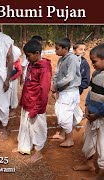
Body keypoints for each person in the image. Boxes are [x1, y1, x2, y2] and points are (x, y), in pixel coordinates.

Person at [16, 39, 52, 163]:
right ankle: (25, 146)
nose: (27, 59)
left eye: (28, 56)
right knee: (25, 125)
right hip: (27, 101)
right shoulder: (32, 64)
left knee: (38, 128)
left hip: (36, 106)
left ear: (37, 53)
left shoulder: (44, 69)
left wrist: (37, 109)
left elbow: (44, 91)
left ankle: (38, 152)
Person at [72, 44, 104, 180]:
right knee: (88, 141)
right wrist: (86, 106)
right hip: (92, 115)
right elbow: (91, 91)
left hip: (101, 118)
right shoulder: (96, 73)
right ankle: (89, 163)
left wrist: (98, 114)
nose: (92, 64)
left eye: (95, 61)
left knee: (102, 146)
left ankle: (100, 175)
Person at [50, 38, 81, 147]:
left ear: (66, 48)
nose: (55, 51)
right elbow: (56, 75)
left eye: (57, 49)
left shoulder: (72, 59)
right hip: (63, 91)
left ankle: (70, 139)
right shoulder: (61, 59)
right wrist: (55, 88)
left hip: (70, 92)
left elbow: (70, 77)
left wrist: (56, 86)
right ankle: (64, 135)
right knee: (62, 114)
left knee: (64, 116)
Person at [9, 46, 23, 117]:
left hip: (13, 81)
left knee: (13, 94)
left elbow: (20, 72)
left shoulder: (17, 63)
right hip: (7, 80)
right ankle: (8, 106)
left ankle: (13, 108)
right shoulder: (7, 61)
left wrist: (13, 78)